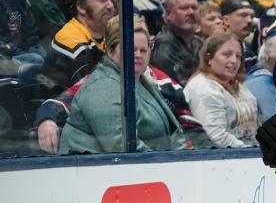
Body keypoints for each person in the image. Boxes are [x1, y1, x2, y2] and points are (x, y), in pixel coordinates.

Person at [58, 15, 186, 153]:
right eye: (131, 49)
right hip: (97, 171)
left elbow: (174, 133)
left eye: (143, 50)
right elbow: (121, 146)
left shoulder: (141, 81)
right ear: (110, 51)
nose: (138, 55)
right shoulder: (103, 87)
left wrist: (184, 158)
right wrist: (165, 164)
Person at [41, 0, 115, 91]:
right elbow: (91, 94)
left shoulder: (106, 35)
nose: (110, 5)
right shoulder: (71, 41)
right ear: (80, 6)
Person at [184, 32, 257, 147]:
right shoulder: (203, 87)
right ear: (209, 58)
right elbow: (216, 137)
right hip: (222, 160)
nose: (234, 60)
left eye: (238, 56)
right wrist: (251, 153)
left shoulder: (237, 86)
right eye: (227, 54)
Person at [150, 0, 202, 86]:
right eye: (184, 8)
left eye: (194, 7)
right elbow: (179, 92)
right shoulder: (164, 47)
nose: (191, 12)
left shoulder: (199, 43)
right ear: (168, 14)